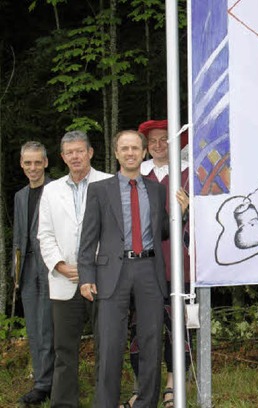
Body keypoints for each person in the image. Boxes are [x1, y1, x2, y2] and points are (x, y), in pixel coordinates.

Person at [78, 130, 185, 407]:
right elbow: (88, 238)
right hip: (113, 272)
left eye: (135, 148)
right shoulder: (100, 190)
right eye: (124, 148)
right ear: (116, 153)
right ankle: (105, 403)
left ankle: (146, 402)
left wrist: (179, 215)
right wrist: (86, 276)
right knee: (110, 345)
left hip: (149, 269)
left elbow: (161, 231)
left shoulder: (156, 189)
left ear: (143, 152)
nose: (130, 153)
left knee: (151, 342)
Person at [38, 130, 112, 407]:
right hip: (64, 278)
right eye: (70, 152)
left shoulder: (109, 183)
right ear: (62, 157)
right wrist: (59, 265)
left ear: (90, 152)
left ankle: (104, 400)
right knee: (64, 349)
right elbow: (44, 235)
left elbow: (116, 232)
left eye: (80, 150)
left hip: (102, 278)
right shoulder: (51, 190)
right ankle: (64, 402)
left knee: (106, 345)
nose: (75, 156)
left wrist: (93, 267)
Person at [121, 119, 190, 407]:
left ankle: (174, 384)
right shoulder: (135, 174)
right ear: (145, 146)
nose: (159, 144)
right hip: (143, 264)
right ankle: (142, 385)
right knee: (141, 328)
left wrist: (187, 211)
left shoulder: (187, 174)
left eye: (165, 139)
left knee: (177, 326)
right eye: (154, 140)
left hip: (177, 260)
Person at [13, 141, 54, 404]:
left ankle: (53, 382)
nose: (33, 168)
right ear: (21, 164)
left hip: (51, 268)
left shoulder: (57, 190)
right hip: (27, 271)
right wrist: (16, 276)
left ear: (46, 163)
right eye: (28, 163)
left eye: (38, 162)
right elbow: (18, 237)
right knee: (35, 329)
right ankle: (41, 383)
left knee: (51, 328)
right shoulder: (19, 196)